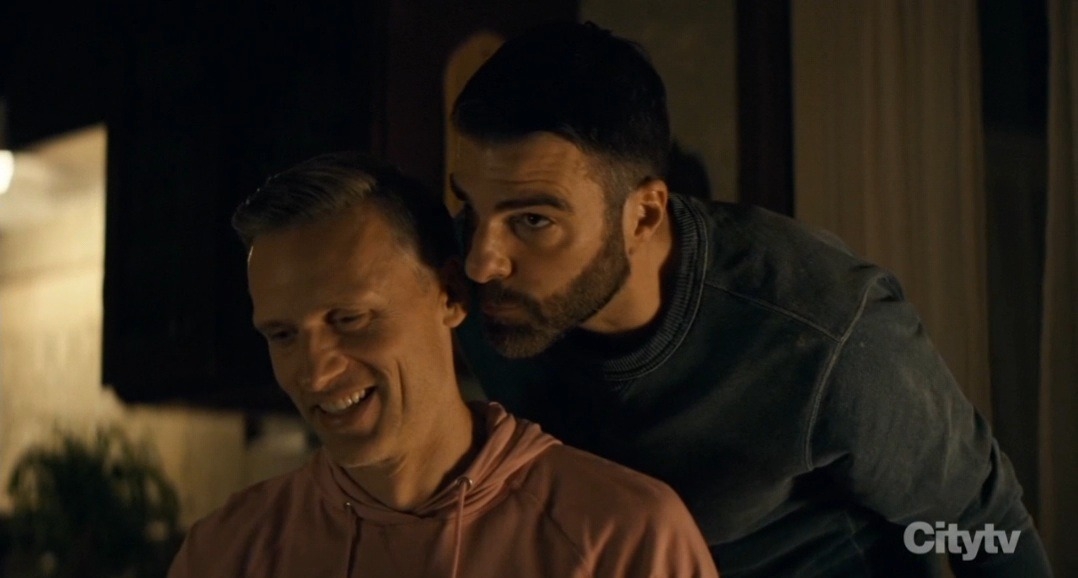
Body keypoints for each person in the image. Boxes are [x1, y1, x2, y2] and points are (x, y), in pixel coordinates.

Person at [448, 20, 1052, 577]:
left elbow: (985, 526)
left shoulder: (822, 334)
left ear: (644, 214)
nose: (482, 260)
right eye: (470, 207)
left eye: (532, 220)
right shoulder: (467, 278)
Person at [166, 152, 719, 578]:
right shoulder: (226, 553)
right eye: (283, 335)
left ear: (450, 294)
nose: (314, 372)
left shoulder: (622, 539)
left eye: (350, 319)